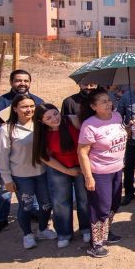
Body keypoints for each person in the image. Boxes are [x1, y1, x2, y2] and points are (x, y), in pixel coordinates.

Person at [0, 69, 44, 236]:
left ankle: (34, 212)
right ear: (11, 82)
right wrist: (11, 126)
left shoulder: (38, 101)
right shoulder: (0, 103)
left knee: (35, 187)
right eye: (18, 80)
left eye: (26, 80)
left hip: (32, 155)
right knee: (5, 187)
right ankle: (1, 219)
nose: (22, 83)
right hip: (10, 153)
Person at [0, 94, 56, 249]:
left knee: (46, 204)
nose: (28, 110)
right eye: (23, 106)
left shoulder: (40, 124)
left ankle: (42, 229)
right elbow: (2, 156)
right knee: (26, 206)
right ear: (15, 108)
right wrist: (7, 180)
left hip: (42, 172)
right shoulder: (6, 129)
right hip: (22, 176)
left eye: (31, 106)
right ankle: (28, 234)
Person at [77, 88, 128, 258]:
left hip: (117, 169)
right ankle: (96, 243)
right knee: (101, 207)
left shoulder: (117, 117)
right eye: (103, 101)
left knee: (114, 204)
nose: (109, 104)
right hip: (100, 173)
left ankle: (106, 233)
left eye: (109, 100)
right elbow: (82, 152)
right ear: (93, 106)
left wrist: (129, 129)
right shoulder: (89, 125)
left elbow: (119, 136)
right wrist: (88, 176)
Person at [32, 104, 90, 248]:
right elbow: (44, 156)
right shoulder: (42, 133)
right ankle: (64, 233)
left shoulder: (72, 121)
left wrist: (85, 166)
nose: (54, 118)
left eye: (55, 114)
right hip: (58, 167)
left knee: (84, 199)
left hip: (80, 166)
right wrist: (66, 170)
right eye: (48, 117)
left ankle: (86, 229)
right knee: (60, 202)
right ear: (41, 121)